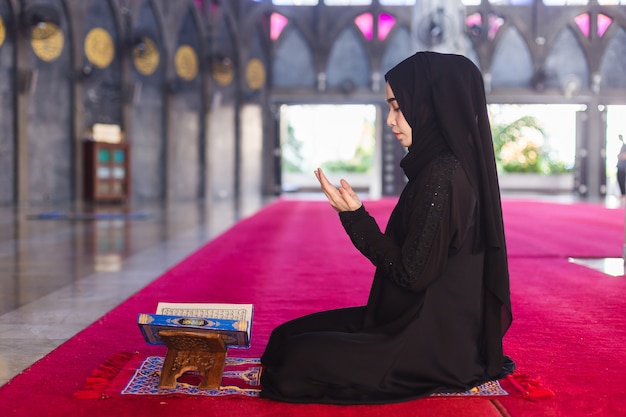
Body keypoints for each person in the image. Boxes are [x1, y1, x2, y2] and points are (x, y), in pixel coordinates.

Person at [260, 51, 514, 405]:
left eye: (398, 107)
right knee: (282, 339)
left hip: (430, 340)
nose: (391, 120)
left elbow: (411, 274)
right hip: (408, 316)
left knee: (290, 363)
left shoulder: (445, 174)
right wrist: (355, 215)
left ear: (429, 105)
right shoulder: (437, 167)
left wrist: (355, 218)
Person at [616, 134, 626, 202]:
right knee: (620, 180)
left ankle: (624, 195)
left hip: (623, 167)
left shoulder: (624, 146)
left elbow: (624, 156)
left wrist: (620, 156)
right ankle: (623, 194)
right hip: (620, 166)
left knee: (622, 181)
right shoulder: (622, 146)